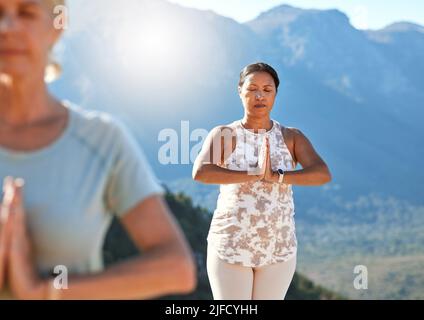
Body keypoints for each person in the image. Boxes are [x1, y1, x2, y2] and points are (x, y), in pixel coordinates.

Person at [0, 0, 196, 300]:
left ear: (58, 23)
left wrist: (48, 292)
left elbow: (177, 267)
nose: (7, 27)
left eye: (26, 12)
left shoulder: (102, 140)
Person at [193, 62, 332, 300]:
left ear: (276, 94)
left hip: (278, 249)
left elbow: (322, 173)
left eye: (267, 90)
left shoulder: (291, 137)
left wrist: (277, 176)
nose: (260, 95)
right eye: (252, 89)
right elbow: (201, 171)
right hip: (231, 245)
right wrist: (252, 174)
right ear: (240, 91)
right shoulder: (225, 134)